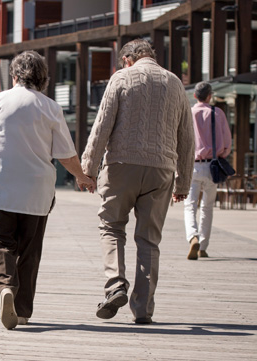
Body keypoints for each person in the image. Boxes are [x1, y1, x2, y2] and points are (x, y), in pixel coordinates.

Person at [0, 50, 95, 330]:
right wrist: (81, 177)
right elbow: (66, 154)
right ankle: (21, 311)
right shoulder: (51, 108)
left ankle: (4, 290)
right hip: (36, 193)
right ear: (43, 79)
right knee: (29, 251)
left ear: (14, 75)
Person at [80, 39, 195, 324]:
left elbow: (102, 126)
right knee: (149, 240)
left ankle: (115, 285)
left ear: (128, 59)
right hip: (161, 170)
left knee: (111, 226)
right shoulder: (176, 84)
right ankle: (142, 309)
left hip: (122, 165)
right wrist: (183, 183)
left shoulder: (121, 78)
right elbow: (187, 138)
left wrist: (89, 169)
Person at [184, 82, 232, 260]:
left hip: (193, 165)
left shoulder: (189, 113)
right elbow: (227, 142)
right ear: (210, 96)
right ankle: (203, 246)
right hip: (213, 166)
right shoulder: (218, 113)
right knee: (207, 207)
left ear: (195, 96)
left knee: (190, 205)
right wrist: (222, 154)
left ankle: (192, 236)